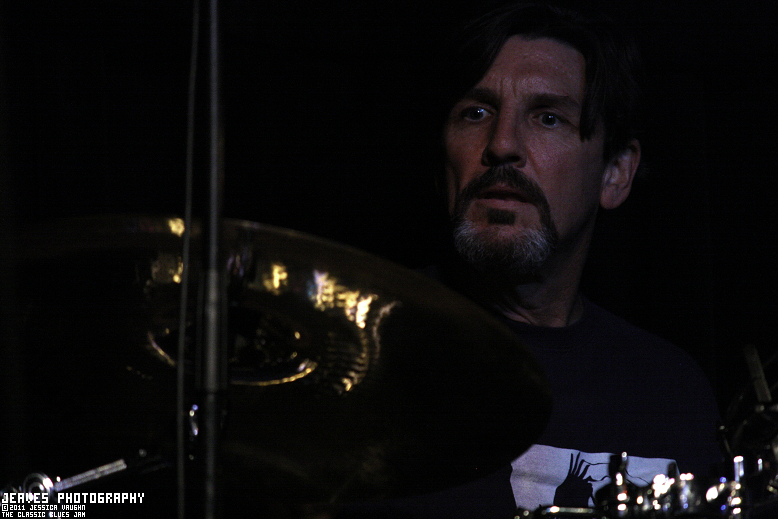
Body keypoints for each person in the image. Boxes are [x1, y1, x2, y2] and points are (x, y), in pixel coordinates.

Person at [339, 2, 722, 518]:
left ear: (615, 173)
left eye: (548, 118)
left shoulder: (671, 391)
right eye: (476, 113)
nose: (501, 145)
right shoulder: (357, 351)